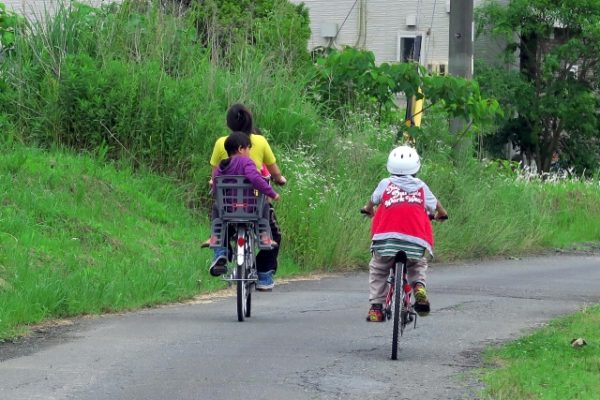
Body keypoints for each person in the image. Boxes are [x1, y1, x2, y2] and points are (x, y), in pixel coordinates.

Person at [361, 145, 448, 322]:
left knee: (379, 268)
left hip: (387, 239)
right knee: (416, 265)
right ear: (416, 167)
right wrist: (441, 214)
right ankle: (419, 288)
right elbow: (437, 206)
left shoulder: (385, 183)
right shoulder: (421, 187)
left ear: (390, 166)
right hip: (414, 239)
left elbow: (372, 201)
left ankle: (376, 308)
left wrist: (367, 209)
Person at [208, 104, 286, 291]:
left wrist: (215, 187)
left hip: (229, 207)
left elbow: (214, 178)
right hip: (253, 206)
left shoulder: (221, 144)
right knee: (274, 234)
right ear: (244, 148)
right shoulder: (257, 145)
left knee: (218, 215)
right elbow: (265, 175)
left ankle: (221, 250)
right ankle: (264, 274)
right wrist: (274, 189)